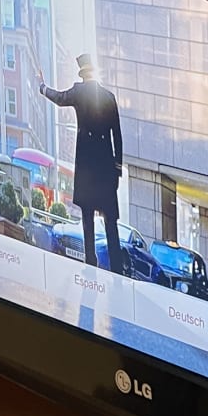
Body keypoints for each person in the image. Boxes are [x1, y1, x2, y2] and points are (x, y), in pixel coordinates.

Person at [38, 54, 125, 273]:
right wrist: (117, 169)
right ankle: (117, 269)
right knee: (111, 221)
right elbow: (117, 136)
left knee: (88, 218)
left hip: (87, 165)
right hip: (106, 166)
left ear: (82, 74)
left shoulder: (78, 92)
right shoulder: (109, 97)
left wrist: (42, 88)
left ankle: (90, 264)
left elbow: (59, 98)